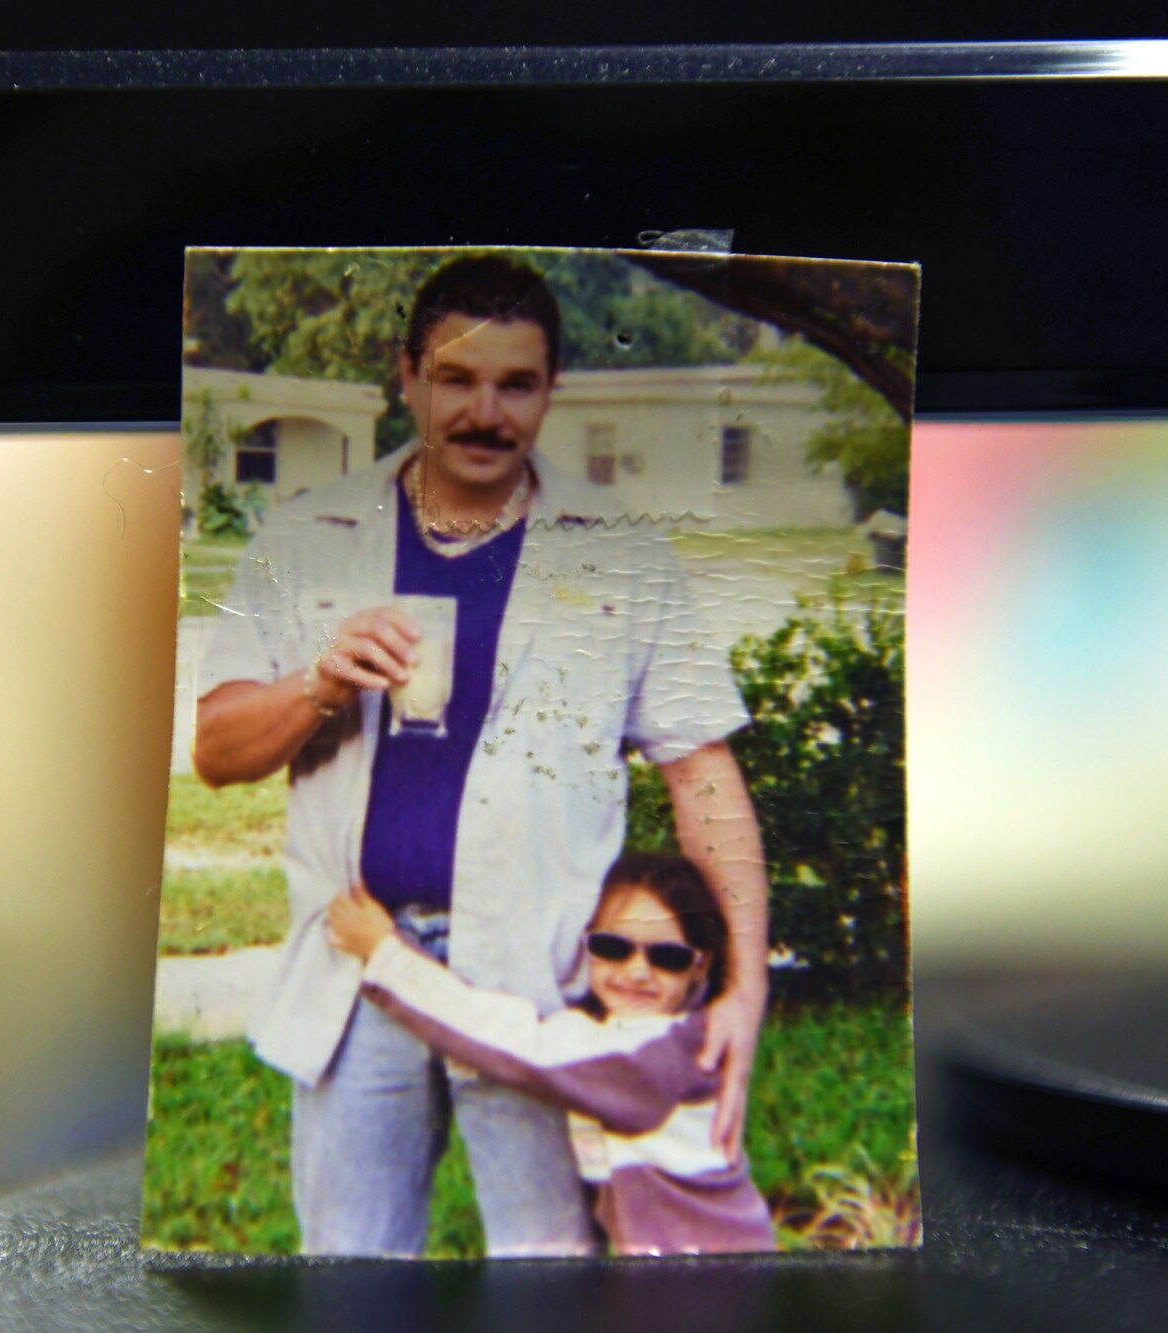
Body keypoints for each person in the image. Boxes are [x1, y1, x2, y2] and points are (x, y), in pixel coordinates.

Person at [191, 253, 769, 1257]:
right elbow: (214, 749)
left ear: (549, 391)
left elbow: (700, 773)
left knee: (550, 1267)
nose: (483, 413)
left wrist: (744, 983)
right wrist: (318, 683)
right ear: (405, 374)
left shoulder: (622, 550)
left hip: (540, 981)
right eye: (455, 379)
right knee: (352, 1268)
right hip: (356, 959)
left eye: (516, 384)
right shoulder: (302, 536)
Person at [325, 853, 778, 1256]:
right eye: (613, 948)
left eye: (668, 958)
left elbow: (514, 1042)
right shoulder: (669, 1035)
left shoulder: (648, 1058)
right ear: (586, 946)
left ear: (700, 965)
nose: (637, 971)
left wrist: (386, 956)